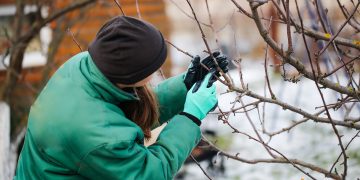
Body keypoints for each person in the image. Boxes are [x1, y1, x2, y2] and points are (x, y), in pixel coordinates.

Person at [14, 16, 228, 179]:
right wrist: (191, 118)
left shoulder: (86, 66)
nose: (157, 69)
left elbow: (123, 116)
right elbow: (151, 172)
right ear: (132, 76)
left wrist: (184, 86)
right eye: (154, 66)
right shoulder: (97, 136)